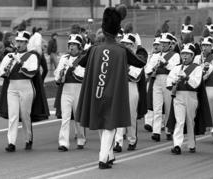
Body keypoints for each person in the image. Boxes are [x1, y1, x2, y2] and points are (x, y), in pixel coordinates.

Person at [75, 5, 146, 169]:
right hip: (113, 93)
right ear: (117, 30)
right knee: (110, 126)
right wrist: (140, 47)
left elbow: (80, 62)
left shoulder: (94, 49)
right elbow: (140, 62)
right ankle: (102, 158)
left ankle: (109, 155)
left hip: (96, 92)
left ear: (103, 29)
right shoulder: (121, 49)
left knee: (102, 123)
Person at [0, 30, 49, 152]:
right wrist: (8, 66)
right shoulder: (9, 56)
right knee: (13, 115)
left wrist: (19, 62)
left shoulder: (32, 56)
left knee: (25, 115)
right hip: (12, 88)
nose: (19, 44)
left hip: (26, 87)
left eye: (22, 42)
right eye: (18, 41)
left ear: (26, 43)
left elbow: (31, 72)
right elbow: (1, 72)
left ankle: (28, 139)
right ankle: (11, 142)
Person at [166, 43, 212, 154]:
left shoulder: (197, 68)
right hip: (178, 96)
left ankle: (191, 144)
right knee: (179, 121)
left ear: (192, 56)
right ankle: (177, 145)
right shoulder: (176, 68)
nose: (185, 56)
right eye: (183, 54)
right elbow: (168, 82)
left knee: (190, 121)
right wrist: (174, 82)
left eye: (187, 54)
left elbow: (196, 84)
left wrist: (186, 77)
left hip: (191, 96)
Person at [113, 33, 147, 152]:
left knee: (131, 116)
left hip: (131, 86)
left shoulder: (137, 59)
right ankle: (118, 142)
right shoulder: (117, 57)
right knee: (118, 115)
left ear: (133, 46)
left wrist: (124, 67)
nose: (125, 46)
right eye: (123, 44)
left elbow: (135, 75)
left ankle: (132, 139)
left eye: (128, 44)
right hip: (119, 87)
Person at [145, 33, 180, 142]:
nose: (163, 45)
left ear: (170, 44)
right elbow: (147, 69)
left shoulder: (175, 55)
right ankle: (156, 131)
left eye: (165, 43)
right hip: (156, 81)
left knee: (169, 106)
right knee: (157, 107)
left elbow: (175, 68)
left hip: (168, 80)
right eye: (162, 43)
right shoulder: (155, 55)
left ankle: (169, 129)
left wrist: (164, 63)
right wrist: (152, 69)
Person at [54, 33, 86, 151]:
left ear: (79, 46)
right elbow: (57, 73)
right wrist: (60, 75)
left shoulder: (83, 59)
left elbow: (84, 75)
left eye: (74, 45)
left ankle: (81, 138)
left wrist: (72, 68)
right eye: (70, 44)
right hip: (66, 89)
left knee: (78, 117)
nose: (71, 47)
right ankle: (63, 143)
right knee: (65, 117)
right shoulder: (64, 58)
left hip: (79, 89)